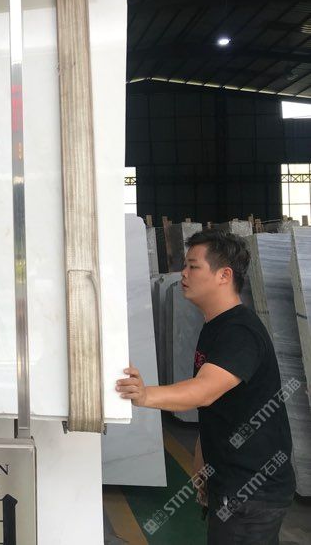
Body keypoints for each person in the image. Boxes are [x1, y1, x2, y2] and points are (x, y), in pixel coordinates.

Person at [116, 229, 295, 545]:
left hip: (251, 491)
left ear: (224, 275)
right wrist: (203, 458)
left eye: (193, 266)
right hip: (232, 482)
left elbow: (205, 390)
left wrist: (145, 395)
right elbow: (219, 404)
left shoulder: (240, 332)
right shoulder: (216, 326)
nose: (183, 274)